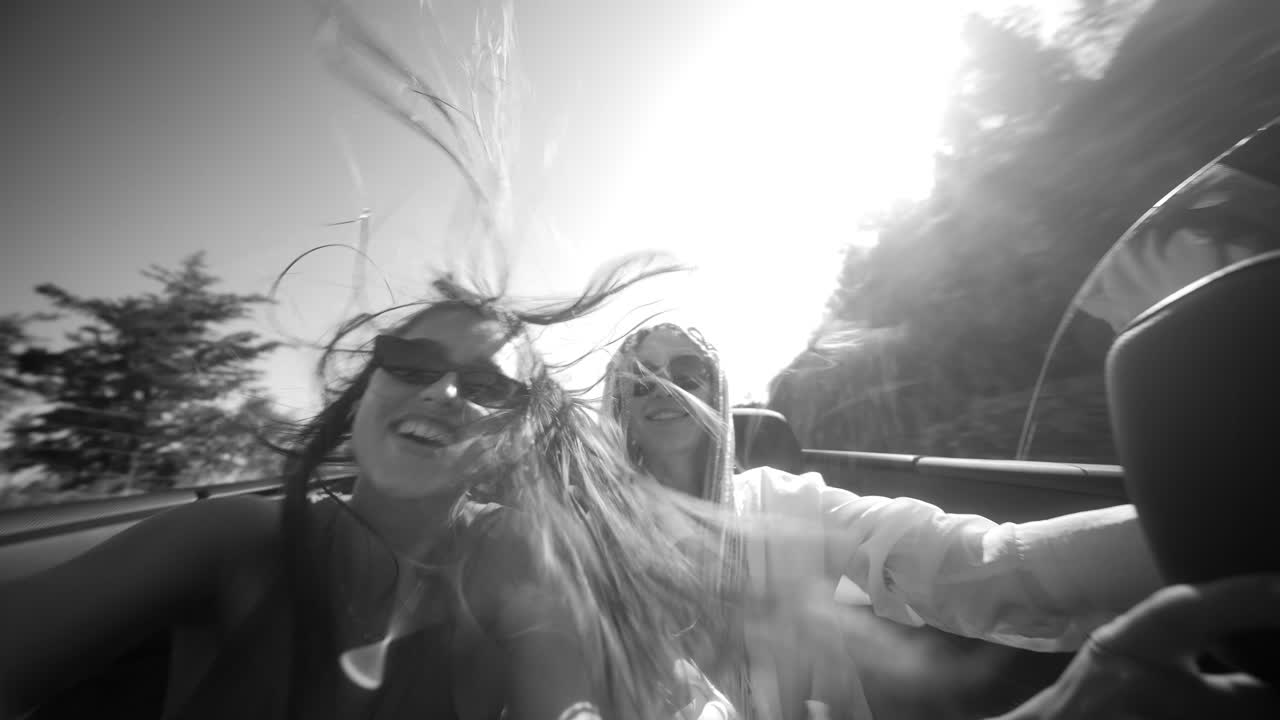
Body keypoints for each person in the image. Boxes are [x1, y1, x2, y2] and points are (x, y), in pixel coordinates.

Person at [0, 266, 738, 720]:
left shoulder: (519, 559)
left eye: (486, 385)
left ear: (514, 435)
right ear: (365, 393)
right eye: (411, 362)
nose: (443, 392)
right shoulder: (234, 540)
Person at [600, 323, 1166, 720]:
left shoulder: (785, 501)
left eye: (688, 370)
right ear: (620, 405)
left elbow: (957, 560)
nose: (665, 385)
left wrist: (1178, 535)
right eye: (642, 376)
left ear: (717, 389)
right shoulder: (597, 534)